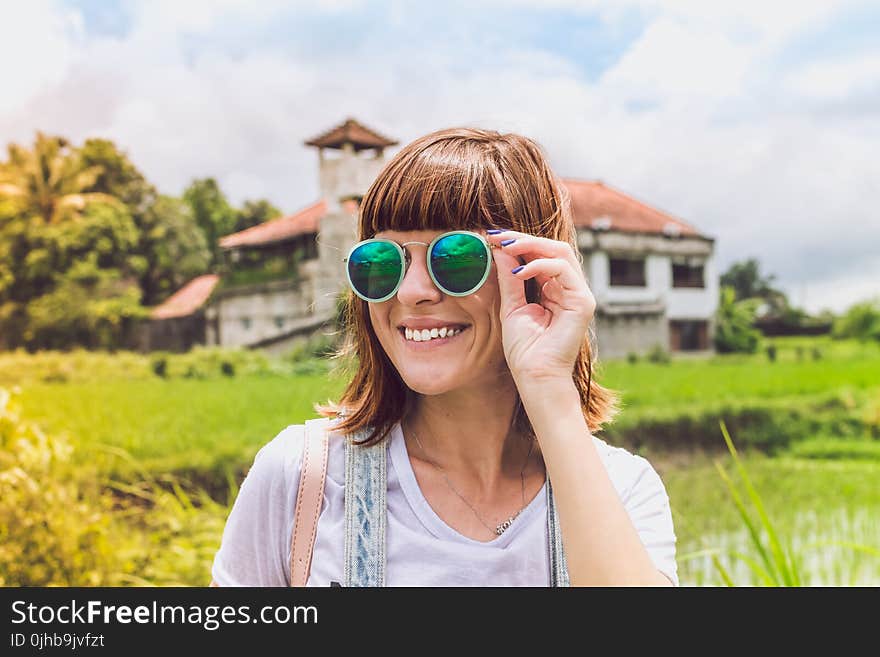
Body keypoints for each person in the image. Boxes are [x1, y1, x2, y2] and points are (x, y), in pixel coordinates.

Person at [211, 127, 678, 587]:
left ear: (535, 275)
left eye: (456, 259)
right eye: (382, 263)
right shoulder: (303, 476)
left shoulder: (620, 489)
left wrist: (550, 387)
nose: (412, 292)